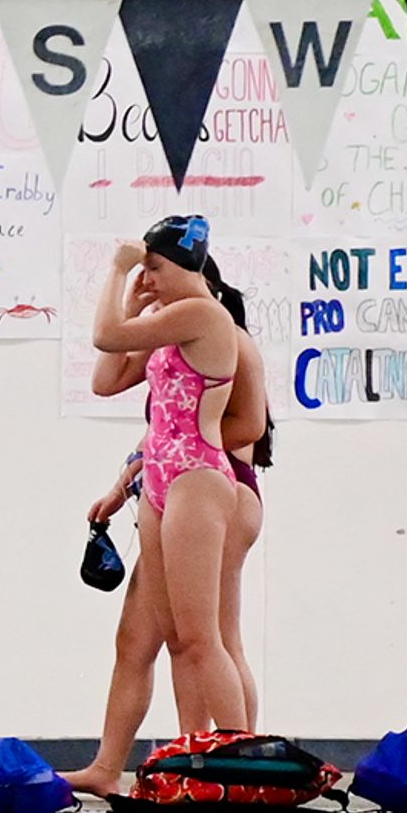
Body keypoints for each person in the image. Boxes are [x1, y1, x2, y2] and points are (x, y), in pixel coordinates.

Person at [64, 219, 259, 784]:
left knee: (204, 637)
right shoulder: (167, 325)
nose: (149, 277)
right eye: (145, 267)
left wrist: (120, 267)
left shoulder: (204, 316)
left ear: (188, 268)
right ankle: (159, 762)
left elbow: (103, 335)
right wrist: (135, 294)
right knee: (173, 639)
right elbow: (105, 373)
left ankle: (240, 761)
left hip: (199, 477)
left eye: (157, 268)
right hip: (158, 480)